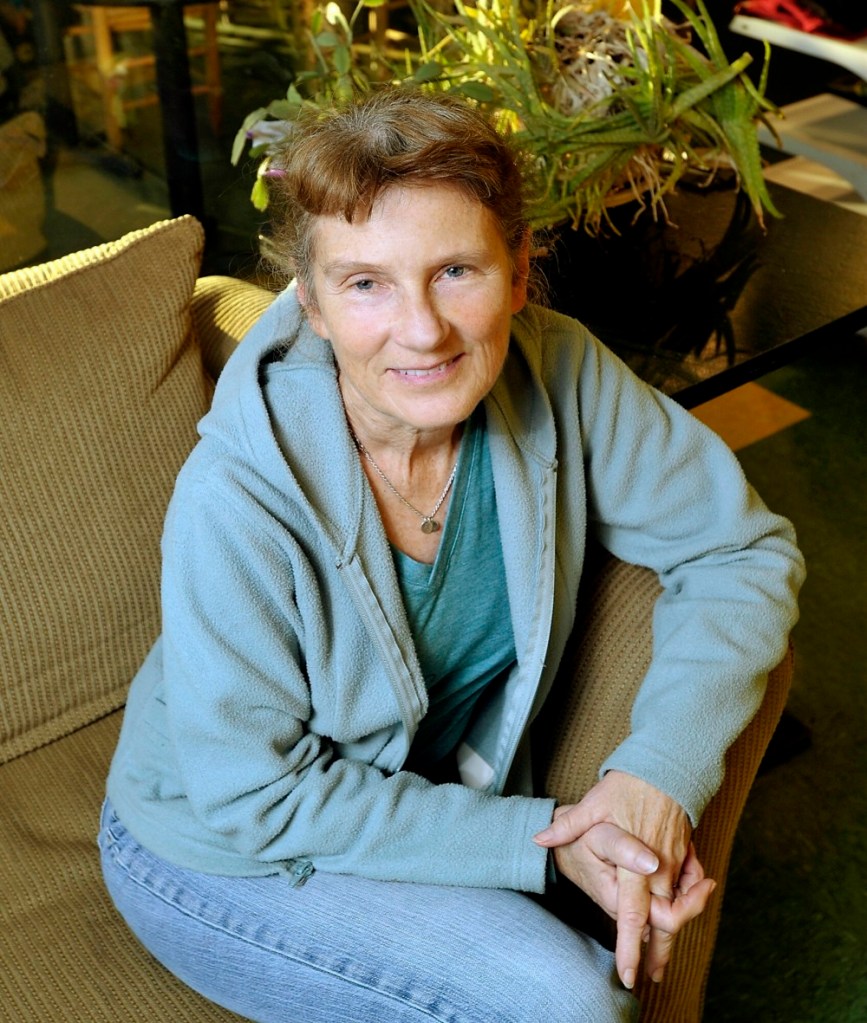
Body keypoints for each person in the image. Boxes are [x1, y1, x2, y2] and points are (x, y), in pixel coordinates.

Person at [99, 88, 805, 1023]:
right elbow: (255, 795)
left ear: (518, 272)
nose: (422, 329)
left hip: (414, 793)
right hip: (218, 841)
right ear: (308, 304)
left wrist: (653, 776)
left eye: (455, 271)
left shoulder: (562, 371)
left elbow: (737, 551)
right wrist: (548, 844)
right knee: (565, 998)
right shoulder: (235, 499)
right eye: (365, 283)